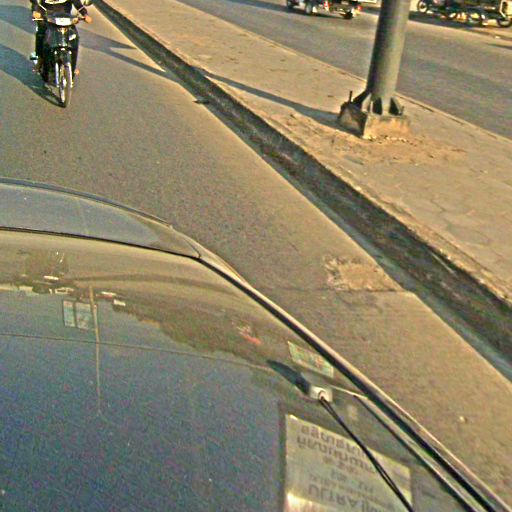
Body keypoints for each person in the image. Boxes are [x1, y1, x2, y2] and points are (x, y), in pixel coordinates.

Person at [31, 0, 92, 79]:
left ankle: (72, 65)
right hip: (47, 14)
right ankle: (40, 60)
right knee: (41, 33)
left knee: (73, 36)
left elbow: (77, 3)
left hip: (64, 16)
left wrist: (85, 14)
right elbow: (35, 2)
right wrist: (35, 11)